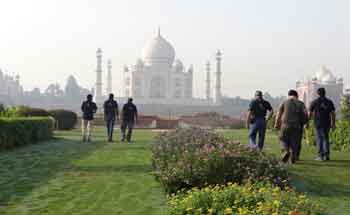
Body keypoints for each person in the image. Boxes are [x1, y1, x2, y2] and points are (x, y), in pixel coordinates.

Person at [275, 90, 308, 164]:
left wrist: (276, 124)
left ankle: (286, 151)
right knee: (295, 142)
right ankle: (293, 156)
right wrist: (306, 123)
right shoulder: (301, 103)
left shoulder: (284, 102)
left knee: (283, 139)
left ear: (289, 95)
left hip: (285, 124)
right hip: (297, 126)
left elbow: (278, 114)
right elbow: (306, 114)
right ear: (297, 96)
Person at [309, 88, 336, 161]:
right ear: (325, 93)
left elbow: (310, 113)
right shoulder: (329, 102)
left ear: (318, 93)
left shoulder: (314, 102)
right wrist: (333, 124)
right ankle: (326, 155)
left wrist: (307, 122)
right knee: (326, 139)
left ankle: (320, 156)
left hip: (318, 123)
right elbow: (333, 114)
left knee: (319, 139)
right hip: (327, 123)